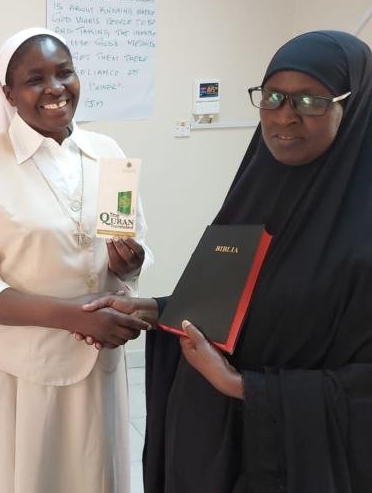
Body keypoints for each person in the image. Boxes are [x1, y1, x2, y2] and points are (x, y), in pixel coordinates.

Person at [89, 30, 372, 491]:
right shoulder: (258, 188)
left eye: (311, 101)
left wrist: (242, 387)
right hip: (217, 445)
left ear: (354, 105)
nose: (285, 117)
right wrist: (162, 310)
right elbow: (248, 297)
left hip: (298, 461)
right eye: (273, 97)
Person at [0, 27, 153, 493]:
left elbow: (130, 246)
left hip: (96, 363)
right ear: (9, 94)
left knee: (89, 473)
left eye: (65, 73)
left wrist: (128, 263)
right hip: (16, 369)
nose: (55, 88)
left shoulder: (109, 155)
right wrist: (72, 316)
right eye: (35, 79)